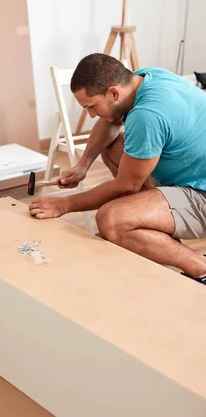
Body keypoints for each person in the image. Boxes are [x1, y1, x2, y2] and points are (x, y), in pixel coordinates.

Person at [29, 53, 206, 286]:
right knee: (113, 146)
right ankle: (150, 225)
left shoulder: (147, 115)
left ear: (113, 92)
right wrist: (83, 166)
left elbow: (126, 185)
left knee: (111, 219)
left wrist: (64, 204)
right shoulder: (146, 77)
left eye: (92, 106)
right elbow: (110, 120)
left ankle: (200, 268)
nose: (91, 114)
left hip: (200, 192)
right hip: (194, 172)